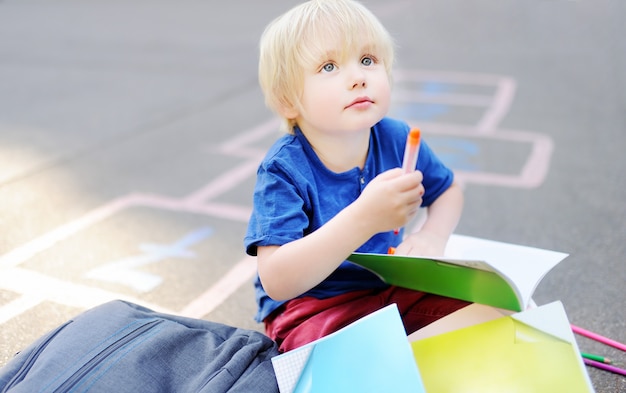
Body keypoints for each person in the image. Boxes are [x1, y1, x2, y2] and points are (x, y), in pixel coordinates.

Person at [245, 0, 469, 352]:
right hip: (312, 307)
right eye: (329, 66)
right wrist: (364, 218)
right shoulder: (284, 169)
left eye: (368, 60)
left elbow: (449, 189)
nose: (358, 77)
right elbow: (277, 279)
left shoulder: (396, 138)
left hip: (386, 286)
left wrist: (432, 236)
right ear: (289, 101)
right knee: (349, 355)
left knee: (485, 313)